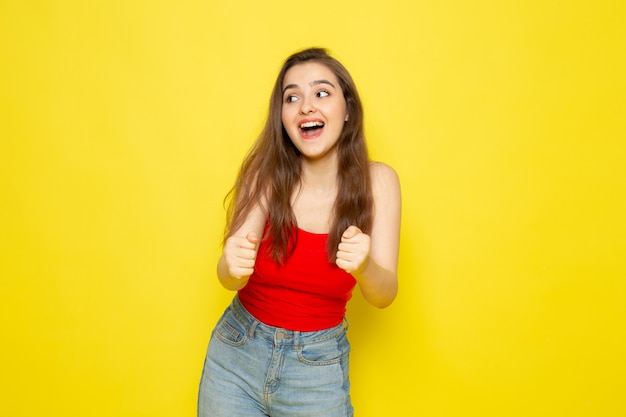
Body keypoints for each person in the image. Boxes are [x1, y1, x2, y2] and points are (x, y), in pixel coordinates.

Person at [198, 47, 401, 417]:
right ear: (283, 117)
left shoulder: (379, 182)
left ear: (348, 109)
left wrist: (365, 266)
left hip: (316, 368)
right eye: (293, 97)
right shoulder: (264, 175)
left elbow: (384, 294)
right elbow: (229, 279)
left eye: (321, 93)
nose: (306, 106)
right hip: (236, 355)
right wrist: (230, 265)